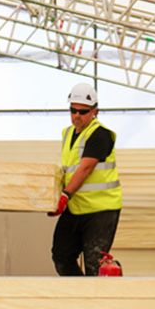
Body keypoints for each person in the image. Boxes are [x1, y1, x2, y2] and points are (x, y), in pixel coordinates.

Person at [49, 82, 122, 276]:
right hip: (76, 207)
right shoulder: (68, 134)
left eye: (83, 111)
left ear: (95, 111)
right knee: (61, 256)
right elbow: (67, 171)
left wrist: (64, 196)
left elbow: (85, 169)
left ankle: (97, 301)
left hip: (101, 210)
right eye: (73, 110)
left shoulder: (100, 135)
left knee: (94, 264)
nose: (77, 116)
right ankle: (81, 296)